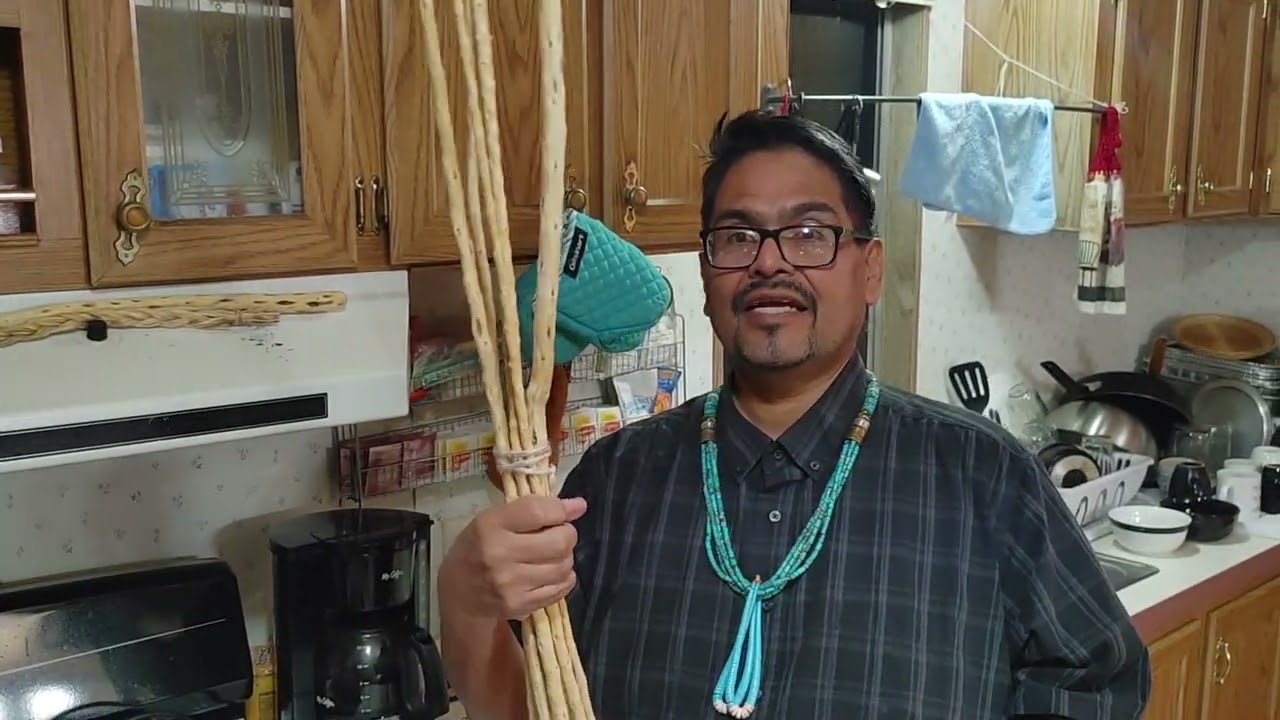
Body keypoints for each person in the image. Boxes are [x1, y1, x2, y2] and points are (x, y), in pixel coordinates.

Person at [437, 110, 1151, 720]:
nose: (769, 264)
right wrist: (466, 601)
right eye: (738, 237)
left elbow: (1099, 679)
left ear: (869, 269)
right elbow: (535, 707)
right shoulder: (617, 482)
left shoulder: (981, 475)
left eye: (810, 234)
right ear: (710, 270)